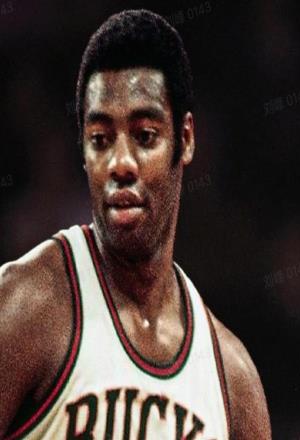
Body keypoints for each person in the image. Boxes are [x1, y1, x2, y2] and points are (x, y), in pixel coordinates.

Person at [0, 10, 271, 439]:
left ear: (185, 139)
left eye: (144, 136)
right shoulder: (26, 308)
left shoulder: (232, 380)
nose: (121, 163)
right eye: (101, 140)